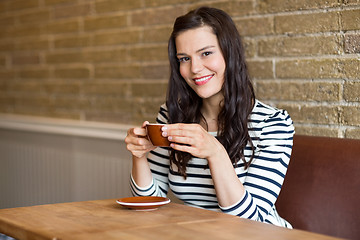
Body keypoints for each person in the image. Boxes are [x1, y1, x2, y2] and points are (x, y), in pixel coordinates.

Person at [125, 6, 294, 228]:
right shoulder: (171, 116)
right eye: (184, 58)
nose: (194, 68)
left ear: (229, 53)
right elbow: (148, 203)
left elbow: (251, 223)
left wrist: (215, 152)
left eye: (206, 53)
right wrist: (139, 155)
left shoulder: (273, 124)